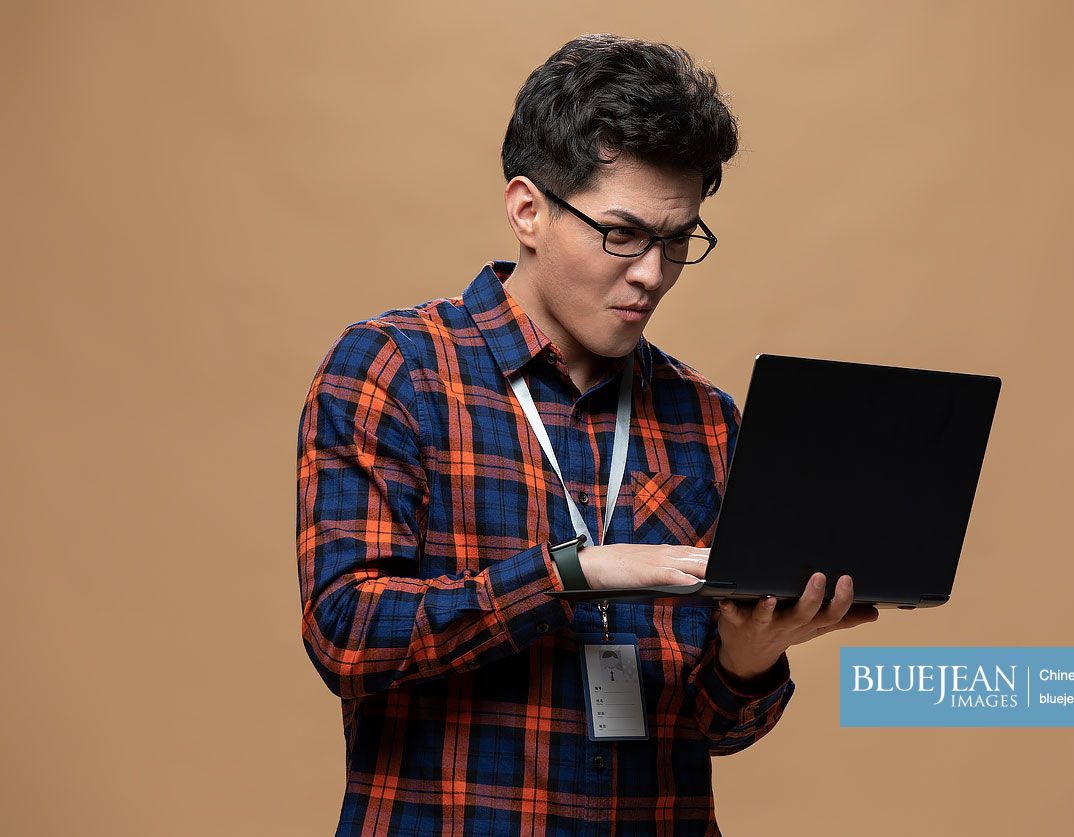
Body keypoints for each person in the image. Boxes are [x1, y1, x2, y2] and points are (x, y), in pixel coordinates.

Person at [297, 33, 878, 836]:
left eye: (677, 241)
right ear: (527, 209)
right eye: (623, 233)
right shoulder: (395, 369)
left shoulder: (705, 419)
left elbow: (713, 727)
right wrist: (575, 573)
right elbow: (347, 635)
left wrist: (750, 659)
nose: (651, 272)